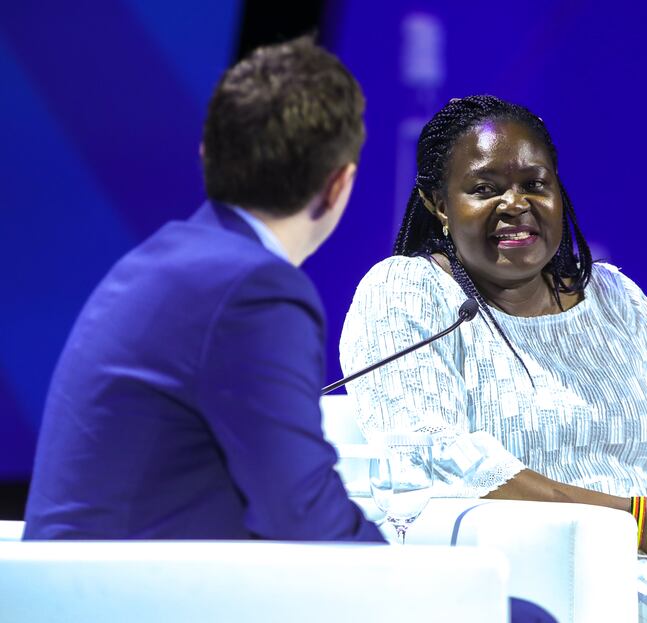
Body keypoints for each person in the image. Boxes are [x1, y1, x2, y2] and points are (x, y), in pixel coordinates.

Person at [24, 42, 554, 623]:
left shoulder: (162, 260)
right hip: (138, 600)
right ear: (339, 186)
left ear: (209, 154)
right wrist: (417, 583)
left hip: (87, 589)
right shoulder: (254, 288)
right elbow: (300, 514)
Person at [340, 95, 647, 621]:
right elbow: (437, 462)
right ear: (439, 204)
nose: (516, 203)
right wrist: (632, 520)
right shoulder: (406, 293)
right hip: (547, 578)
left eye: (535, 184)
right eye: (485, 189)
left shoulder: (615, 297)